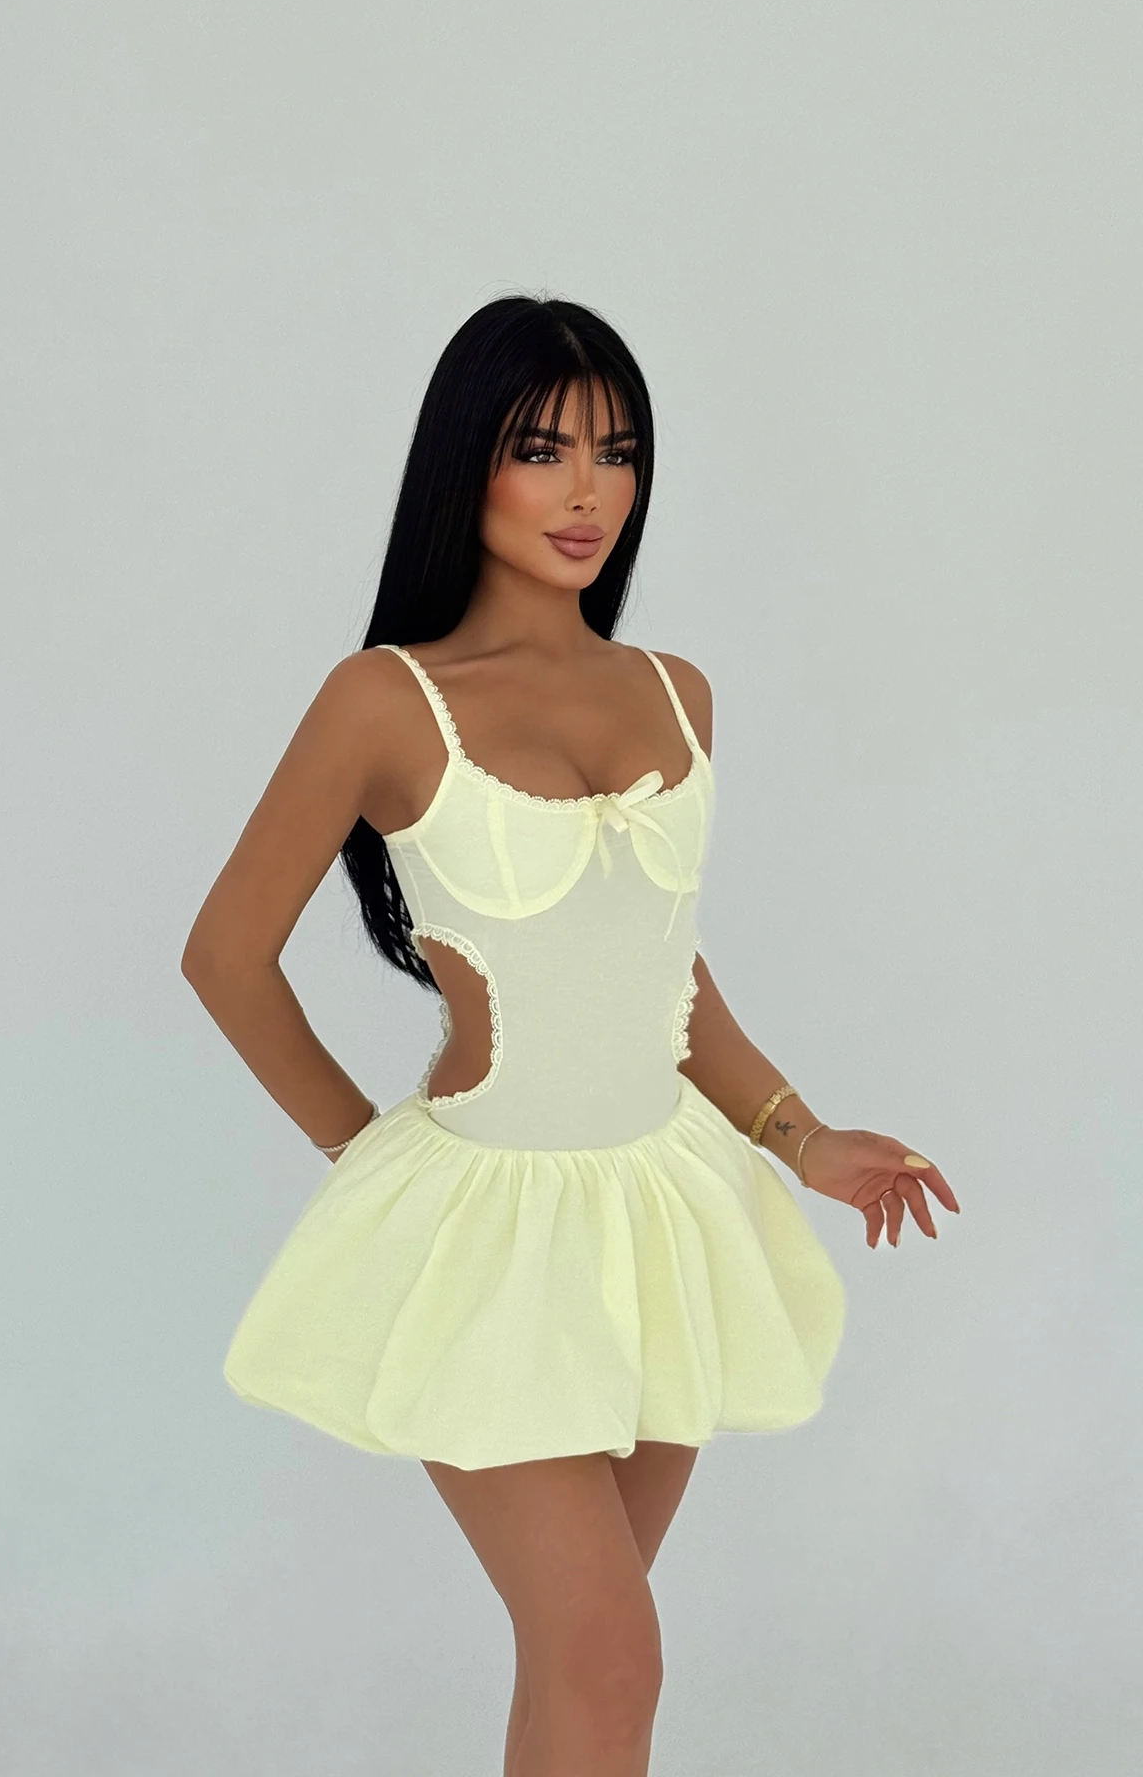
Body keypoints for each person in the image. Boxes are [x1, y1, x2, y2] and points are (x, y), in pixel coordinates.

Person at [182, 293, 961, 1777]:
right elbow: (225, 956)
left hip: (661, 1216)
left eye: (618, 450)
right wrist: (371, 1166)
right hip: (490, 1240)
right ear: (466, 462)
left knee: (582, 1663)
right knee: (610, 1656)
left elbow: (664, 973)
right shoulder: (384, 700)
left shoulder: (678, 693)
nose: (589, 489)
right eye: (543, 450)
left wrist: (803, 1140)